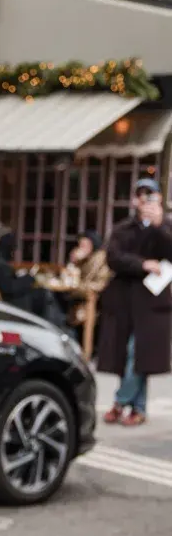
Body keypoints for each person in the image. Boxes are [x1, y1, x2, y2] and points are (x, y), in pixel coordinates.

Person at [97, 178, 172, 427]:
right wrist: (142, 264)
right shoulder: (123, 229)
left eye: (150, 195)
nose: (145, 200)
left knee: (138, 354)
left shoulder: (167, 227)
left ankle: (121, 401)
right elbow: (113, 257)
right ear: (133, 200)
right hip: (124, 300)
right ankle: (138, 409)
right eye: (140, 195)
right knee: (125, 356)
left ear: (159, 199)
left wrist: (160, 225)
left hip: (153, 302)